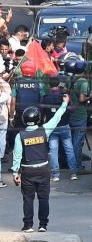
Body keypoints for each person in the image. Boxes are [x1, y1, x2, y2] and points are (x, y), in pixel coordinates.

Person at [11, 97, 69, 232]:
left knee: (28, 199)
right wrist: (65, 103)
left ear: (24, 120)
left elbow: (17, 156)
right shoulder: (45, 130)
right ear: (38, 119)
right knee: (44, 199)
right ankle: (43, 225)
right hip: (43, 169)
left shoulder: (20, 136)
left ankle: (28, 225)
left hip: (27, 171)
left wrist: (15, 173)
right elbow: (57, 117)